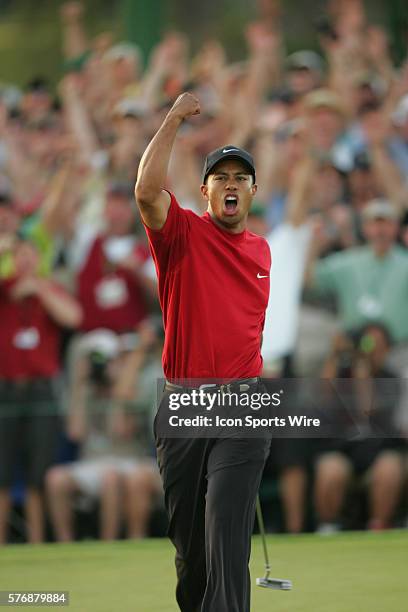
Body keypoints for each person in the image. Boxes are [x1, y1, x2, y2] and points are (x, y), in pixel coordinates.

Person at [134, 92, 271, 612]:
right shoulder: (183, 234)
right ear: (205, 190)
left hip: (242, 406)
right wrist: (172, 118)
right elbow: (146, 190)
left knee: (226, 539)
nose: (231, 185)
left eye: (240, 178)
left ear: (253, 190)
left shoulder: (263, 249)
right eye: (222, 178)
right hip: (184, 403)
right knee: (193, 554)